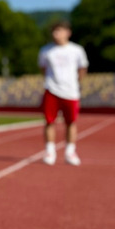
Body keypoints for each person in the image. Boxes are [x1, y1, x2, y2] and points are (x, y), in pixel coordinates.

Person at [38, 20, 89, 165]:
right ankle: (50, 151)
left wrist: (77, 83)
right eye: (54, 31)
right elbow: (42, 68)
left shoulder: (77, 50)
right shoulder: (45, 50)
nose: (56, 34)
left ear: (68, 32)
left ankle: (70, 152)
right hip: (51, 90)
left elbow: (82, 68)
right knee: (49, 121)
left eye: (59, 30)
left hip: (71, 91)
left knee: (71, 122)